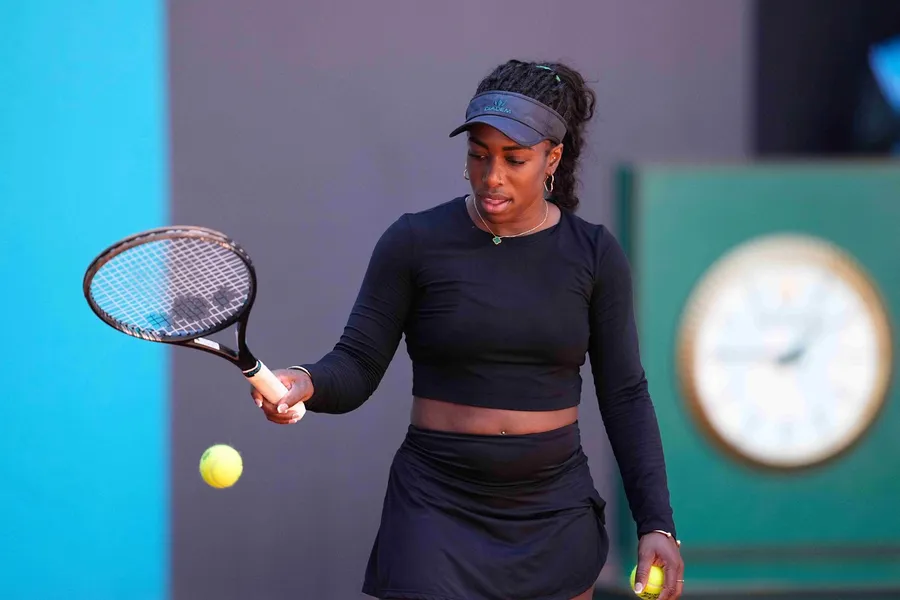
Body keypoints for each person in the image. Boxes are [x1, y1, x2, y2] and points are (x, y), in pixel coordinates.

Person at [250, 59, 684, 600]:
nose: (492, 175)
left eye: (514, 159)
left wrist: (656, 522)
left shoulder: (594, 254)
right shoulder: (414, 242)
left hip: (553, 513)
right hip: (436, 508)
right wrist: (306, 381)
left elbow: (624, 395)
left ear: (552, 159)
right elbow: (357, 364)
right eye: (479, 155)